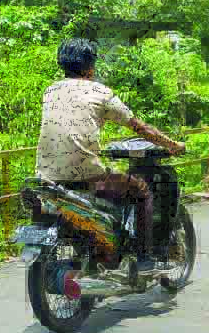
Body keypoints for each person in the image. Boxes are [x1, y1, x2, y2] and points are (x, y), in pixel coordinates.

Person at [35, 38, 187, 273]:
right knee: (141, 190)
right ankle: (144, 257)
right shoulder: (100, 92)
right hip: (87, 176)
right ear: (90, 67)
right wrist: (172, 144)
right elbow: (140, 128)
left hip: (48, 178)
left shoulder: (50, 90)